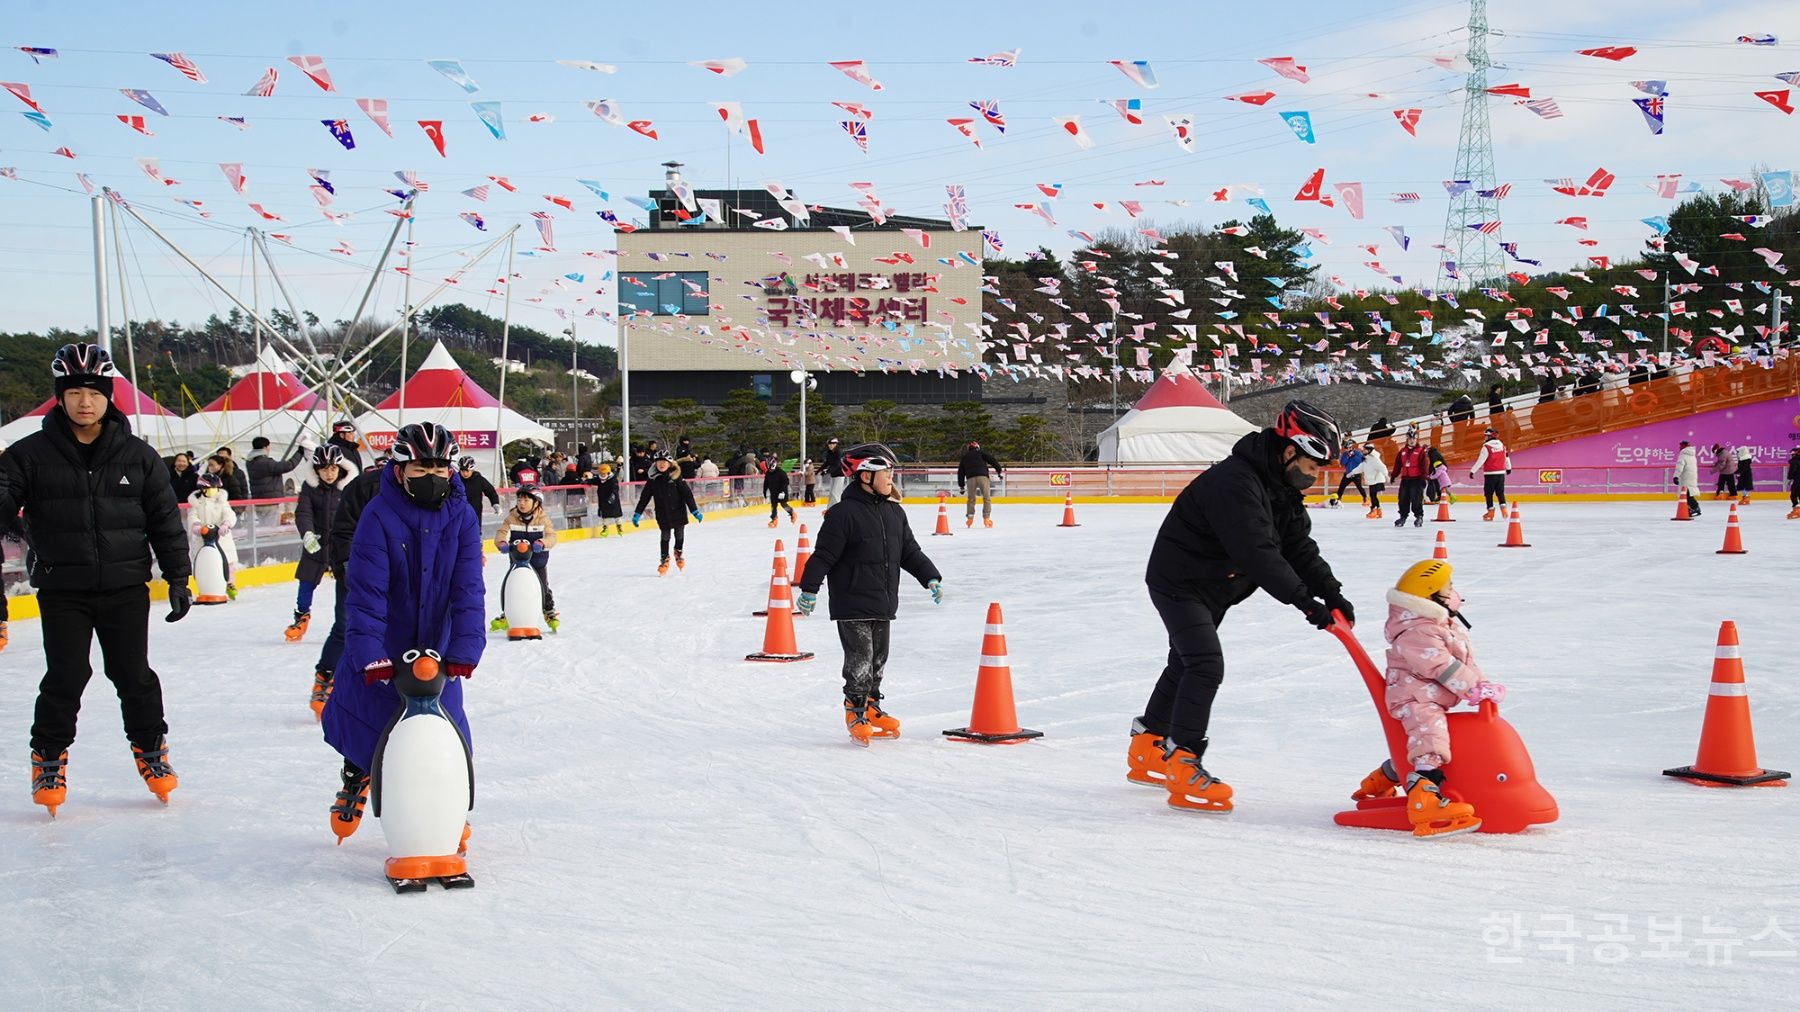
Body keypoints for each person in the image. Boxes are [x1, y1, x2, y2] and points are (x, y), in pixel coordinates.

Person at [1128, 401, 1352, 814]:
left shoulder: (1278, 487)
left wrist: (1331, 592)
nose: (1316, 475)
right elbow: (1257, 553)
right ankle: (1182, 760)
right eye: (1313, 465)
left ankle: (1146, 747)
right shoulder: (1236, 483)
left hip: (1214, 585)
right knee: (1205, 664)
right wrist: (1306, 603)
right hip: (1180, 582)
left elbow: (1296, 546)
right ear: (1290, 451)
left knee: (1184, 662)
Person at [0, 344, 192, 816]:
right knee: (66, 675)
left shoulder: (139, 456)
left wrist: (178, 577)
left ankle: (151, 750)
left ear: (109, 397)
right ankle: (48, 757)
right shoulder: (29, 455)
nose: (85, 402)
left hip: (125, 586)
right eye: (74, 392)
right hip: (63, 588)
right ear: (59, 398)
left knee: (133, 676)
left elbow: (165, 521)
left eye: (93, 392)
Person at [323, 423, 484, 854]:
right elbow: (366, 592)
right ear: (398, 469)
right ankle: (357, 774)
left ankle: (448, 807)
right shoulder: (378, 515)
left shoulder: (463, 517)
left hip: (438, 638)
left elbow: (468, 587)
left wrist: (466, 646)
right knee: (369, 716)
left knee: (446, 723)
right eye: (420, 466)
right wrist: (370, 653)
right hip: (387, 637)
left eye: (439, 466)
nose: (431, 474)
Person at [794, 445, 942, 746]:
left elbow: (909, 552)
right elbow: (823, 556)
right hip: (852, 599)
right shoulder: (842, 514)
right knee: (859, 659)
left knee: (877, 660)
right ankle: (855, 709)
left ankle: (872, 706)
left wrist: (930, 576)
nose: (890, 479)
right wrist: (809, 589)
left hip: (883, 600)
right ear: (864, 476)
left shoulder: (894, 512)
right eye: (885, 473)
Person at [1351, 559, 1503, 838]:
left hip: (1429, 694)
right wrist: (1471, 689)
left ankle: (1381, 780)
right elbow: (1441, 666)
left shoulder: (1439, 624)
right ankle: (1424, 802)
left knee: (1436, 739)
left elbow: (1464, 662)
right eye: (1449, 588)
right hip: (1414, 697)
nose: (1455, 593)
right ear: (1430, 594)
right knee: (1431, 737)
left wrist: (1482, 685)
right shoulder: (1417, 632)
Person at [309, 452, 385, 718]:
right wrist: (345, 564)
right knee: (345, 625)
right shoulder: (363, 486)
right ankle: (325, 677)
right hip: (356, 568)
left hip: (394, 573)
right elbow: (344, 529)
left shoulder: (420, 490)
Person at [288, 445, 350, 649]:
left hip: (342, 546)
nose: (329, 473)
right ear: (316, 470)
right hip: (316, 543)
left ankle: (347, 624)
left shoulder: (350, 487)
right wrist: (307, 533)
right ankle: (301, 617)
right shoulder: (310, 487)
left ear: (339, 468)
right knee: (306, 582)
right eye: (324, 469)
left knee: (347, 586)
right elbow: (303, 512)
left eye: (332, 468)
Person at [491, 481, 559, 631]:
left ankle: (548, 610)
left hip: (537, 561)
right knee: (510, 587)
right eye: (519, 500)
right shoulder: (511, 518)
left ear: (536, 503)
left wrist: (542, 542)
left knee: (542, 586)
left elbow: (552, 537)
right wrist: (501, 543)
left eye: (526, 500)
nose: (521, 503)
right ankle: (507, 614)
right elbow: (502, 532)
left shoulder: (542, 519)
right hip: (517, 561)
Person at [632, 451, 701, 575]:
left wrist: (694, 511)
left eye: (664, 462)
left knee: (679, 534)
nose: (661, 464)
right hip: (663, 512)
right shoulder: (653, 479)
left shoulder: (676, 477)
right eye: (659, 462)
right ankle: (664, 558)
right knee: (665, 536)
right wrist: (637, 513)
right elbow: (644, 498)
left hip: (678, 511)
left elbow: (687, 495)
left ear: (669, 463)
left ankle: (678, 552)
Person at [187, 472, 240, 599]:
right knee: (203, 564)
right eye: (210, 489)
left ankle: (229, 583)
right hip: (203, 539)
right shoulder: (197, 503)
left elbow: (229, 514)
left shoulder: (221, 501)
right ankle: (205, 586)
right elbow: (192, 515)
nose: (213, 491)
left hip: (222, 538)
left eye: (215, 489)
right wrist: (196, 526)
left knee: (227, 562)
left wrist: (226, 524)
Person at [247, 435, 307, 529]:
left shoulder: (250, 462)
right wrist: (300, 452)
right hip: (270, 502)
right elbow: (288, 465)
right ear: (266, 447)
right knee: (271, 529)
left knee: (263, 528)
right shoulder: (265, 462)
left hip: (258, 501)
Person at [956, 440, 1005, 528]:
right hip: (983, 477)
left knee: (971, 499)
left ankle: (970, 518)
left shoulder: (965, 457)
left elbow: (960, 472)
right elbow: (993, 461)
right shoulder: (981, 454)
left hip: (970, 478)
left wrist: (961, 486)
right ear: (977, 447)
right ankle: (986, 518)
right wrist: (999, 472)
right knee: (986, 498)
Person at [1469, 428, 1511, 521]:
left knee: (1488, 493)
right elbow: (1506, 457)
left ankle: (1490, 513)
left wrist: (1473, 471)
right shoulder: (1502, 445)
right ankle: (1504, 510)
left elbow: (1481, 460)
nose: (1485, 437)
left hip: (1490, 474)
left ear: (1489, 436)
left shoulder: (1486, 447)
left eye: (1486, 435)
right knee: (1500, 493)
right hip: (1501, 473)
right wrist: (1508, 468)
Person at [1393, 433, 1430, 528]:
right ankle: (1403, 516)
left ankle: (1419, 516)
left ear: (1416, 440)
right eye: (1410, 439)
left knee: (1416, 499)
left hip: (1416, 479)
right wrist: (1394, 475)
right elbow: (1398, 465)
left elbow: (1424, 466)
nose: (1412, 440)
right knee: (1402, 499)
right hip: (1405, 480)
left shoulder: (1420, 451)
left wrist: (1423, 478)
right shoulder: (1402, 451)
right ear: (1407, 439)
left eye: (1414, 438)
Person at [1348, 441, 1389, 519]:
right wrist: (1352, 473)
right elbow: (1361, 467)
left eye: (1365, 449)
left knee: (1373, 495)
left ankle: (1374, 510)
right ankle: (1378, 510)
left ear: (1370, 450)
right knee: (1373, 495)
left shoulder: (1374, 459)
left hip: (1377, 480)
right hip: (1372, 480)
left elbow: (1382, 467)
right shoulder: (1366, 459)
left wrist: (1386, 475)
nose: (1363, 450)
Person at [588, 461, 624, 536]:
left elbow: (615, 488)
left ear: (608, 473)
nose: (602, 475)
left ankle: (619, 526)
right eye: (601, 474)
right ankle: (605, 528)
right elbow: (593, 481)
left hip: (613, 500)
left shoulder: (613, 479)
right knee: (605, 516)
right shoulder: (599, 479)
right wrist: (586, 481)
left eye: (604, 473)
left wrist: (612, 496)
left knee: (617, 515)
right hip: (603, 500)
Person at [764, 454, 797, 527]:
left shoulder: (780, 472)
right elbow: (766, 482)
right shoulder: (768, 473)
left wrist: (782, 491)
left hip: (782, 492)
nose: (770, 470)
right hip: (773, 492)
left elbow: (786, 482)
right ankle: (774, 519)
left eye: (771, 468)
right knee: (773, 506)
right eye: (768, 468)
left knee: (783, 504)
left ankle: (792, 513)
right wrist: (764, 492)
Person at [1329, 443, 1366, 508]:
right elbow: (1342, 463)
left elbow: (1360, 461)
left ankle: (1365, 499)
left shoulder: (1357, 453)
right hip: (1347, 474)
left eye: (1348, 448)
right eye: (1346, 448)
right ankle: (1338, 499)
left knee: (1359, 487)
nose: (1347, 449)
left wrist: (1353, 456)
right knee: (1341, 487)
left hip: (1356, 474)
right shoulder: (1345, 454)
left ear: (1351, 447)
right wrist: (1347, 456)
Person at [1672, 441, 1703, 518]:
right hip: (1691, 477)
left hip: (1686, 478)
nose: (1679, 447)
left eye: (1681, 446)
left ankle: (1695, 507)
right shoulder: (1692, 455)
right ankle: (1690, 509)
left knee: (1686, 495)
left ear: (1684, 446)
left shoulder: (1683, 455)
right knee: (1688, 494)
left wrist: (1676, 476)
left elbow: (1679, 467)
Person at [820, 437, 845, 505]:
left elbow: (837, 464)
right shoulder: (830, 453)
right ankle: (830, 508)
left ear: (836, 444)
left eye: (832, 444)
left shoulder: (839, 452)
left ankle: (836, 507)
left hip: (840, 475)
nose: (830, 446)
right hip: (833, 475)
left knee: (835, 492)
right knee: (831, 492)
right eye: (829, 444)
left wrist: (827, 471)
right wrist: (820, 470)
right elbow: (827, 463)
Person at [1786, 447, 1800, 519]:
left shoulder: (1794, 461)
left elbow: (1792, 471)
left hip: (1798, 481)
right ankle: (1797, 510)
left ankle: (1797, 510)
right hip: (1797, 480)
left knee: (1794, 495)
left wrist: (1789, 479)